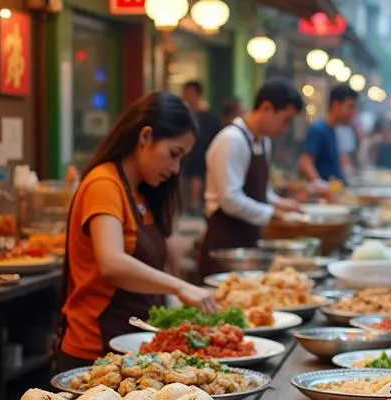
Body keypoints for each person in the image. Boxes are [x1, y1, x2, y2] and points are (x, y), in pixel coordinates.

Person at [56, 92, 217, 369]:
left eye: (182, 159)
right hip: (94, 351)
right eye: (173, 154)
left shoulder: (140, 193)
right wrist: (180, 287)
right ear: (145, 137)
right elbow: (112, 264)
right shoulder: (104, 184)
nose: (176, 168)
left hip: (131, 347)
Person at [197, 79, 305, 278]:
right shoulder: (232, 139)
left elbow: (260, 192)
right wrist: (272, 213)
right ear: (266, 108)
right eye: (285, 120)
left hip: (248, 242)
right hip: (225, 245)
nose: (285, 128)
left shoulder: (264, 141)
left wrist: (281, 204)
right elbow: (230, 199)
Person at [299, 83, 357, 186]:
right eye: (350, 107)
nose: (352, 113)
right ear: (336, 105)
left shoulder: (334, 130)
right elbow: (305, 164)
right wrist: (321, 187)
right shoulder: (319, 130)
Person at [180, 80, 221, 215]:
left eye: (190, 94)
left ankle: (197, 207)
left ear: (198, 95)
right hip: (184, 165)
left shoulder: (210, 120)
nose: (187, 97)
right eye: (185, 94)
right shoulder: (179, 119)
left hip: (204, 164)